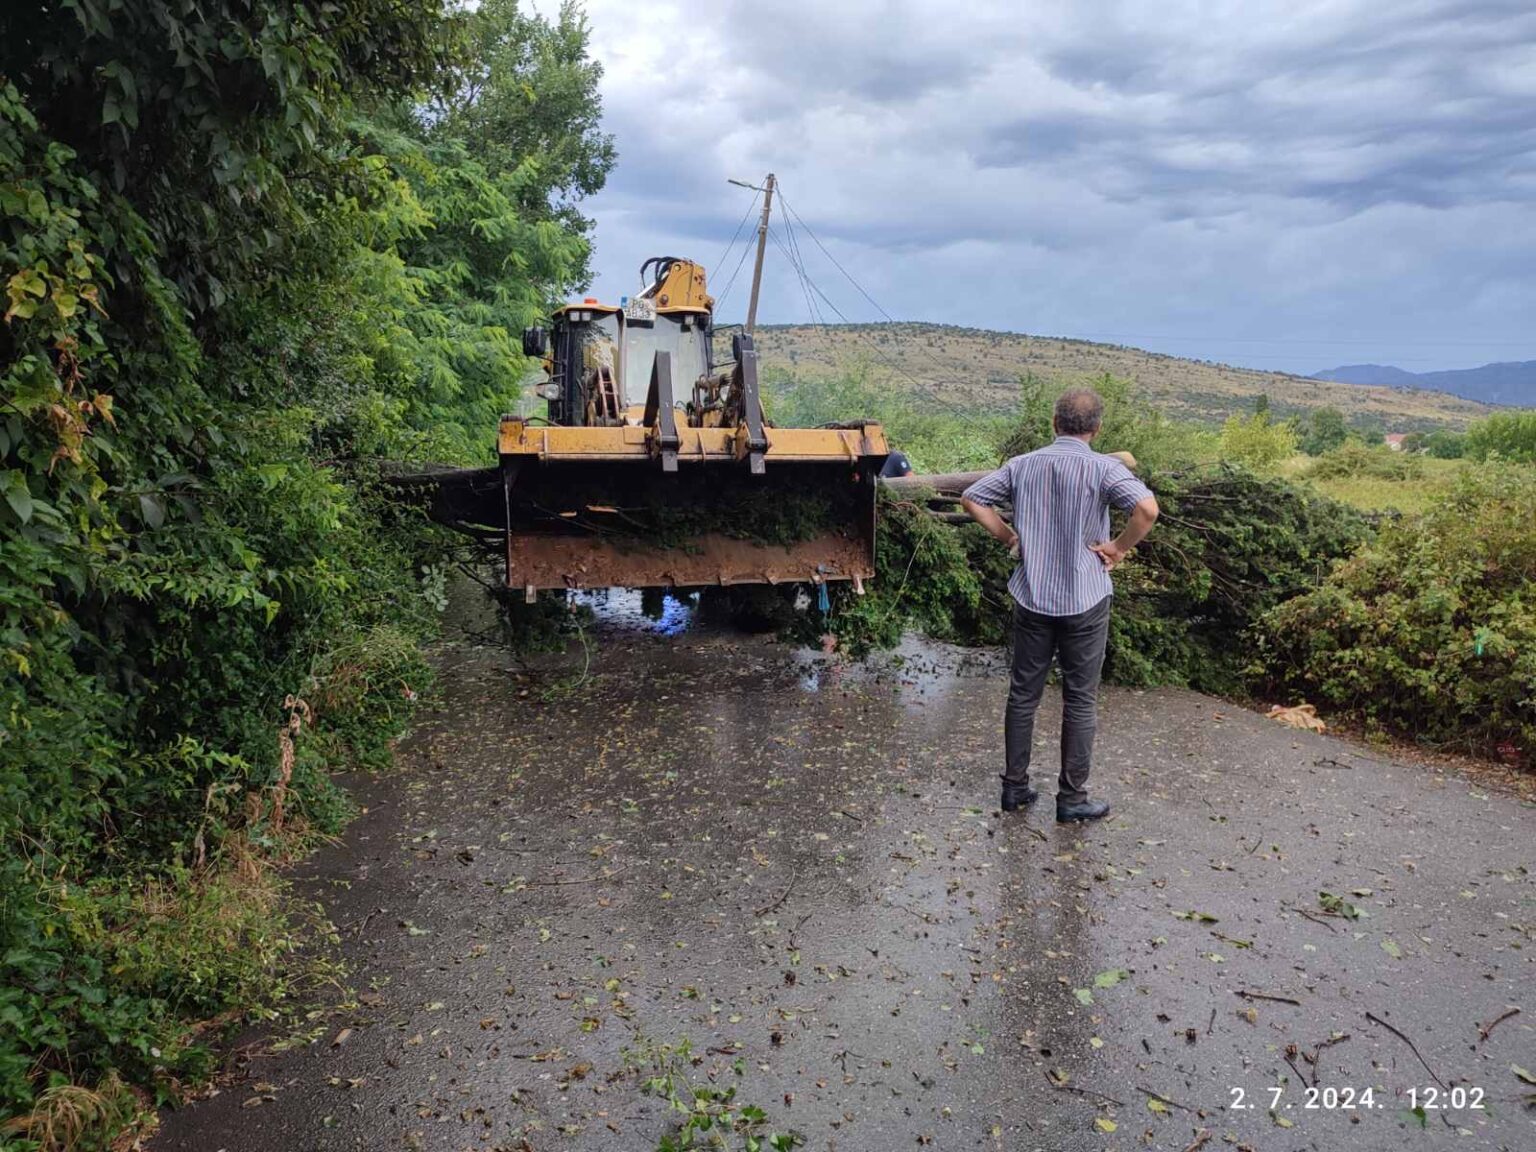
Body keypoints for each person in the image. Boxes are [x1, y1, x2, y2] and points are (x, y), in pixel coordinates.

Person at [961, 389, 1159, 823]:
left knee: (1023, 694)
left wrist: (1009, 537)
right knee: (1080, 700)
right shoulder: (1105, 468)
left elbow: (972, 498)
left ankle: (1014, 789)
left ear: (1054, 423)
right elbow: (1146, 510)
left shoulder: (1022, 465)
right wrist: (1119, 548)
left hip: (1032, 596)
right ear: (1097, 428)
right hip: (1086, 600)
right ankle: (1071, 799)